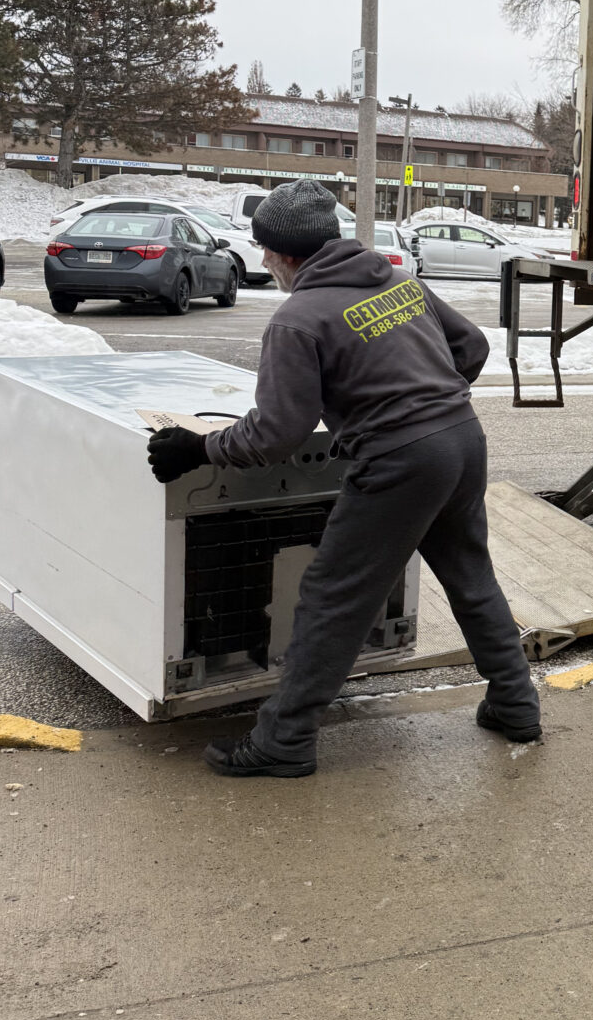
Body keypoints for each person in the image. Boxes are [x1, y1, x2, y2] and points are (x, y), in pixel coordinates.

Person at [146, 179, 542, 776]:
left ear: (283, 255)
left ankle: (283, 741)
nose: (263, 263)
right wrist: (423, 398)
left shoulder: (298, 319)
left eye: (265, 252)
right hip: (461, 439)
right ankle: (516, 704)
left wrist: (198, 448)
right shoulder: (398, 282)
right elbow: (472, 346)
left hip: (401, 463)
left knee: (333, 598)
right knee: (470, 575)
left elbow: (275, 434)